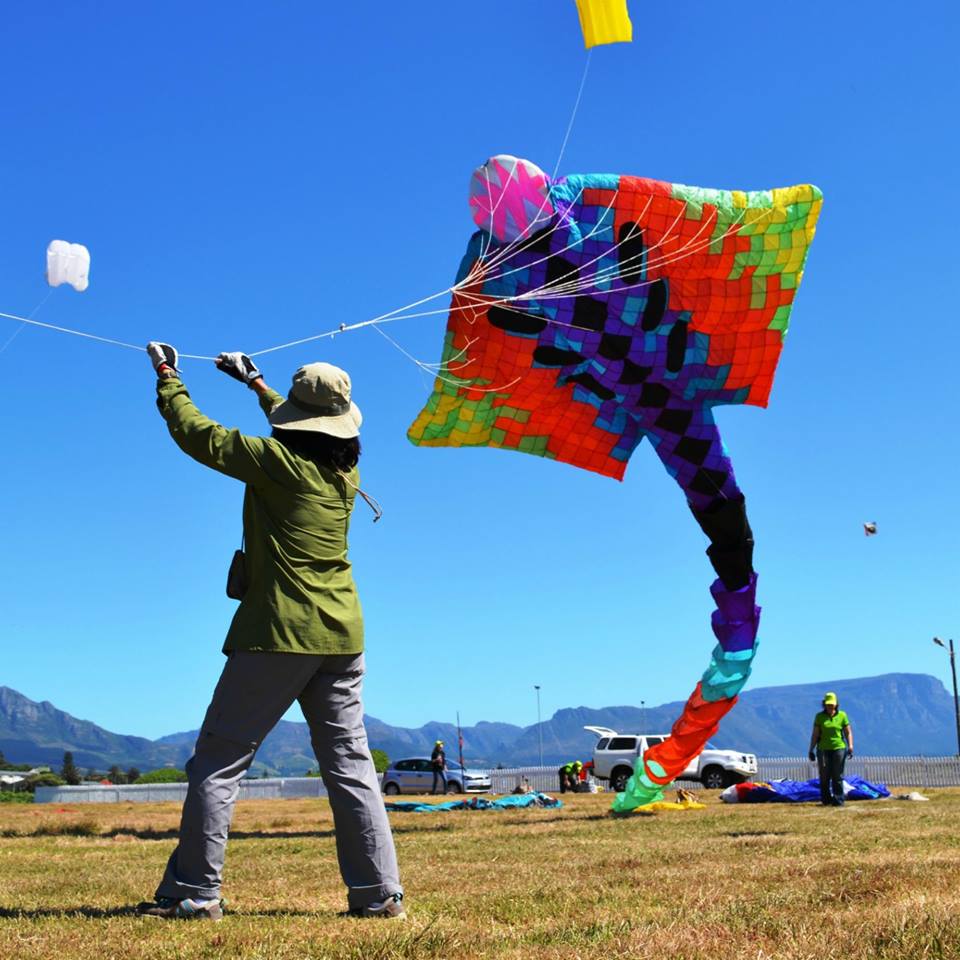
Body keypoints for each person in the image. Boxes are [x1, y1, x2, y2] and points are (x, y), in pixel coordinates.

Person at [135, 344, 404, 921]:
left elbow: (196, 434)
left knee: (219, 761)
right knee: (351, 768)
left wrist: (167, 375)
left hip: (278, 632)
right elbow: (302, 423)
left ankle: (195, 893)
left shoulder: (276, 463)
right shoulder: (345, 468)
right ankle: (379, 896)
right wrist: (254, 382)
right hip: (342, 637)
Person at [808, 691, 854, 807]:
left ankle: (838, 800)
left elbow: (848, 732)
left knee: (837, 775)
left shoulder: (842, 715)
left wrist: (850, 746)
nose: (830, 706)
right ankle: (826, 800)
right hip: (823, 749)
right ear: (824, 704)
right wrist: (811, 749)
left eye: (832, 704)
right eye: (828, 704)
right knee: (824, 776)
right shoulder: (819, 717)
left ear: (836, 704)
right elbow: (815, 734)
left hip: (839, 748)